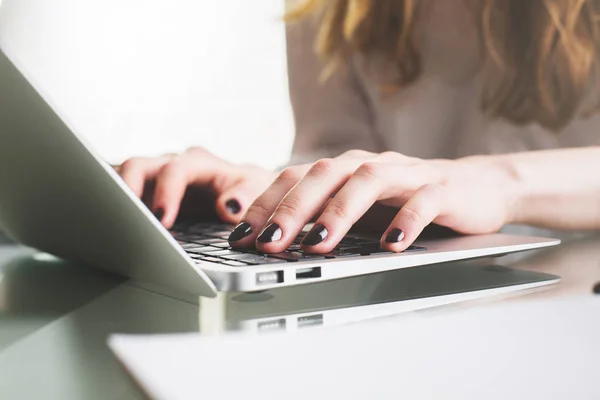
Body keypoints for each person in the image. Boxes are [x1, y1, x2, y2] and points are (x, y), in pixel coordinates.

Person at [118, 0, 600, 255]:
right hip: (416, 311)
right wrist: (270, 191)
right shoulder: (333, 10)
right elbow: (352, 166)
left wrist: (502, 185)